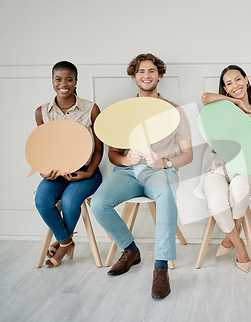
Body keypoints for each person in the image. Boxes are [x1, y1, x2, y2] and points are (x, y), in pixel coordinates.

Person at [91, 53, 192, 299]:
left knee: (167, 195)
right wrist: (126, 160)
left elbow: (187, 155)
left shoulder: (175, 111)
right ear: (134, 76)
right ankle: (130, 250)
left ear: (159, 75)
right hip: (127, 173)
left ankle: (161, 268)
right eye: (141, 71)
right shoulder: (123, 111)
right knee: (98, 203)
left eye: (151, 71)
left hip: (161, 172)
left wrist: (165, 161)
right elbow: (113, 154)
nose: (146, 75)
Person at [201, 65, 251, 272]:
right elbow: (205, 98)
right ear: (225, 89)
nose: (235, 85)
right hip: (218, 168)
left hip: (248, 171)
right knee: (216, 200)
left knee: (239, 189)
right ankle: (239, 246)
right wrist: (236, 102)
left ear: (246, 80)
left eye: (238, 79)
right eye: (228, 83)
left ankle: (231, 236)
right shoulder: (222, 107)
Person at [34, 61, 103, 268]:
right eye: (58, 79)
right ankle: (66, 241)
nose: (63, 83)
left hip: (85, 173)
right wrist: (43, 171)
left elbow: (100, 147)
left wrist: (88, 172)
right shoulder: (42, 112)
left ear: (75, 82)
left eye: (69, 79)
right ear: (52, 81)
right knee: (41, 200)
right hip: (56, 173)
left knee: (70, 200)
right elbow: (42, 147)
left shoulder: (91, 109)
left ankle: (62, 245)